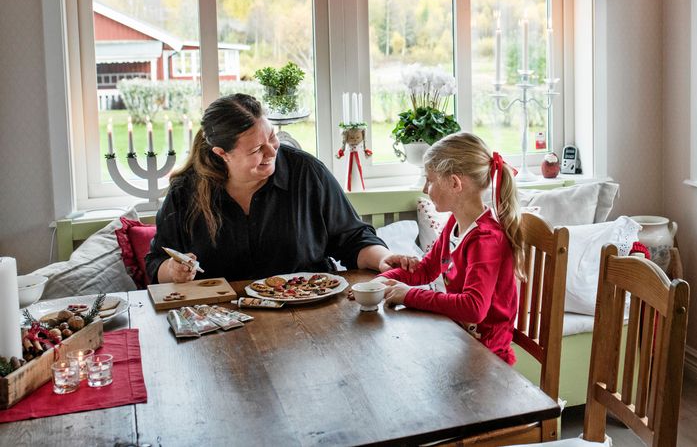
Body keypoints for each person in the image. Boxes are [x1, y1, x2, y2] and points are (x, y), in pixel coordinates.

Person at [145, 93, 397, 283]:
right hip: (221, 320)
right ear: (222, 153)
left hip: (309, 308)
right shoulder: (186, 190)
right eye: (257, 149)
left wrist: (384, 258)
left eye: (272, 137)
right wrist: (173, 270)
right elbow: (156, 262)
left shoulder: (306, 172)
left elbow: (353, 239)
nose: (272, 151)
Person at [379, 132, 525, 364]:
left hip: (487, 359)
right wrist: (382, 282)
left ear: (455, 183)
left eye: (430, 180)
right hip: (460, 341)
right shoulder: (454, 224)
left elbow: (474, 308)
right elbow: (426, 270)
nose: (425, 188)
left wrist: (408, 294)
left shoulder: (485, 239)